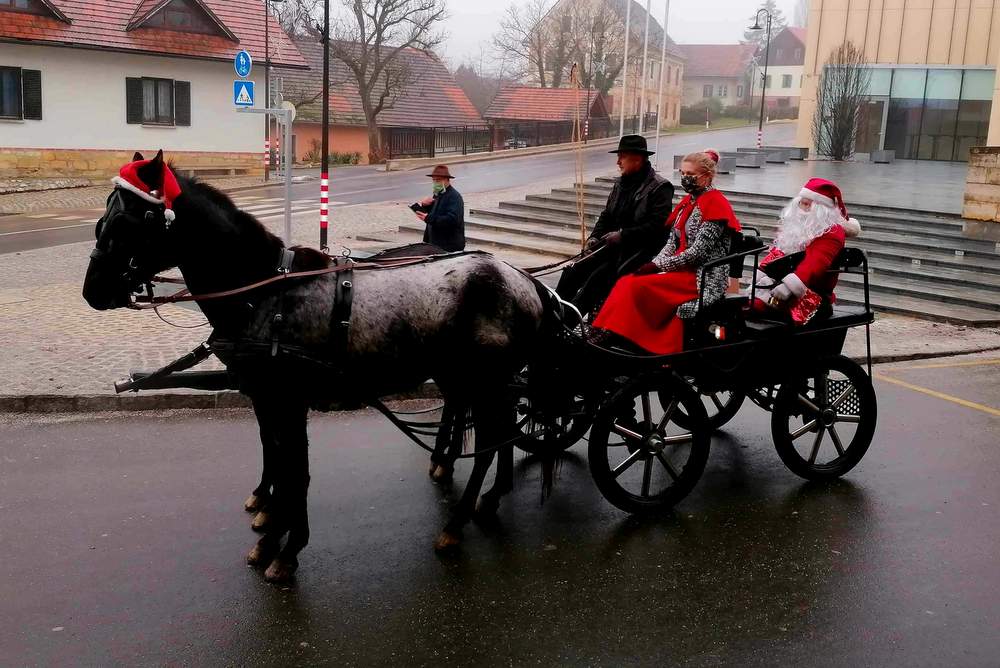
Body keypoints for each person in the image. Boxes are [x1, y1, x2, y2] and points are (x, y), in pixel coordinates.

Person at [590, 149, 740, 355]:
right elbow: (672, 242)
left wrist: (658, 265)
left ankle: (619, 333)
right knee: (627, 280)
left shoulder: (716, 204)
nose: (685, 178)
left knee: (637, 286)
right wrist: (654, 264)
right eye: (683, 173)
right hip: (681, 271)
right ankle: (608, 330)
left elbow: (697, 253)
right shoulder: (689, 202)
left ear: (706, 176)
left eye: (690, 174)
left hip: (701, 276)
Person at [555, 134, 674, 315]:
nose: (618, 162)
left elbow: (657, 226)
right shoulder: (620, 183)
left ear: (638, 159)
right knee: (573, 271)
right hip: (613, 245)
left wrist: (623, 235)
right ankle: (554, 315)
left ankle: (570, 324)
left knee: (596, 281)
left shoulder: (660, 187)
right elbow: (607, 215)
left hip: (640, 250)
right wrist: (594, 237)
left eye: (622, 157)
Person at [751, 178, 861, 323]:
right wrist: (761, 272)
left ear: (821, 210)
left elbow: (814, 265)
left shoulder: (831, 232)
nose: (801, 209)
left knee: (754, 309)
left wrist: (789, 287)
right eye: (801, 203)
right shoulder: (796, 227)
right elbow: (778, 252)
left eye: (807, 205)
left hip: (810, 296)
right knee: (742, 306)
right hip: (780, 287)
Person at [411, 165, 465, 252]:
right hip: (435, 243)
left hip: (449, 245)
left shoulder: (454, 196)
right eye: (434, 180)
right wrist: (425, 205)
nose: (436, 182)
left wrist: (428, 218)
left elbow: (452, 219)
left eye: (438, 180)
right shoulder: (438, 193)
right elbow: (435, 212)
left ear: (447, 180)